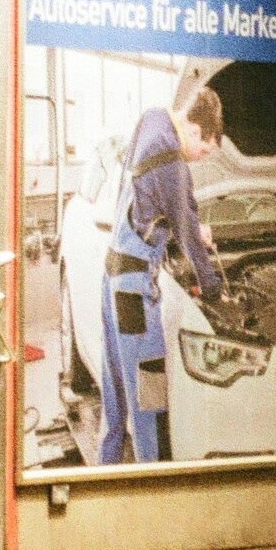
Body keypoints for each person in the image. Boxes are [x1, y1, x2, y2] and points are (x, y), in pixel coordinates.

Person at [96, 83, 223, 463]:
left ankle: (105, 470)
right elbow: (186, 230)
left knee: (115, 391)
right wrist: (214, 289)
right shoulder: (173, 161)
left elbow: (158, 198)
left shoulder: (152, 118)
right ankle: (149, 485)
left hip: (111, 278)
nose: (199, 158)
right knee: (148, 398)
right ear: (196, 130)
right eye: (203, 150)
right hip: (134, 290)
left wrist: (188, 224)